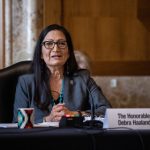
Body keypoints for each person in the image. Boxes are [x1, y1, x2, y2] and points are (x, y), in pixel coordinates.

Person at [12, 24, 111, 124]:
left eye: (62, 43)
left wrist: (73, 114)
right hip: (39, 138)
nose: (56, 49)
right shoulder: (26, 83)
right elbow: (17, 122)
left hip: (74, 138)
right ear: (41, 53)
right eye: (49, 43)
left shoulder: (83, 78)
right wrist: (47, 120)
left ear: (68, 52)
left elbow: (107, 111)